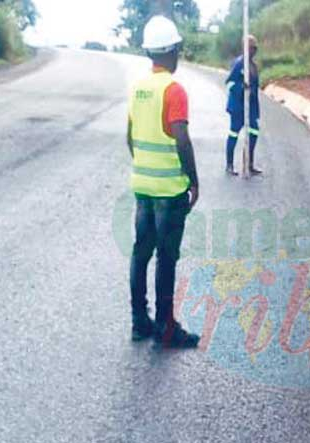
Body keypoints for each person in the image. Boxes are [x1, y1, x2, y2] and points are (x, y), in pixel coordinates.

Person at [126, 15, 200, 348]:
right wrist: (193, 179)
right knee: (166, 258)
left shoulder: (137, 88)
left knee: (141, 253)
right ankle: (166, 327)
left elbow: (130, 137)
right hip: (169, 191)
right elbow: (181, 138)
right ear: (172, 52)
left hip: (143, 187)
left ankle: (140, 321)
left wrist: (144, 167)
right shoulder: (174, 89)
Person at [224, 35, 262, 176]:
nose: (254, 51)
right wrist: (241, 87)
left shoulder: (253, 66)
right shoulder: (239, 64)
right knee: (234, 133)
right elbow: (229, 83)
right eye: (251, 48)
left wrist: (256, 110)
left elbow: (256, 90)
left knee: (254, 131)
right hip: (238, 107)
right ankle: (229, 165)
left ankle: (249, 163)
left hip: (250, 107)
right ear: (245, 48)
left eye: (255, 48)